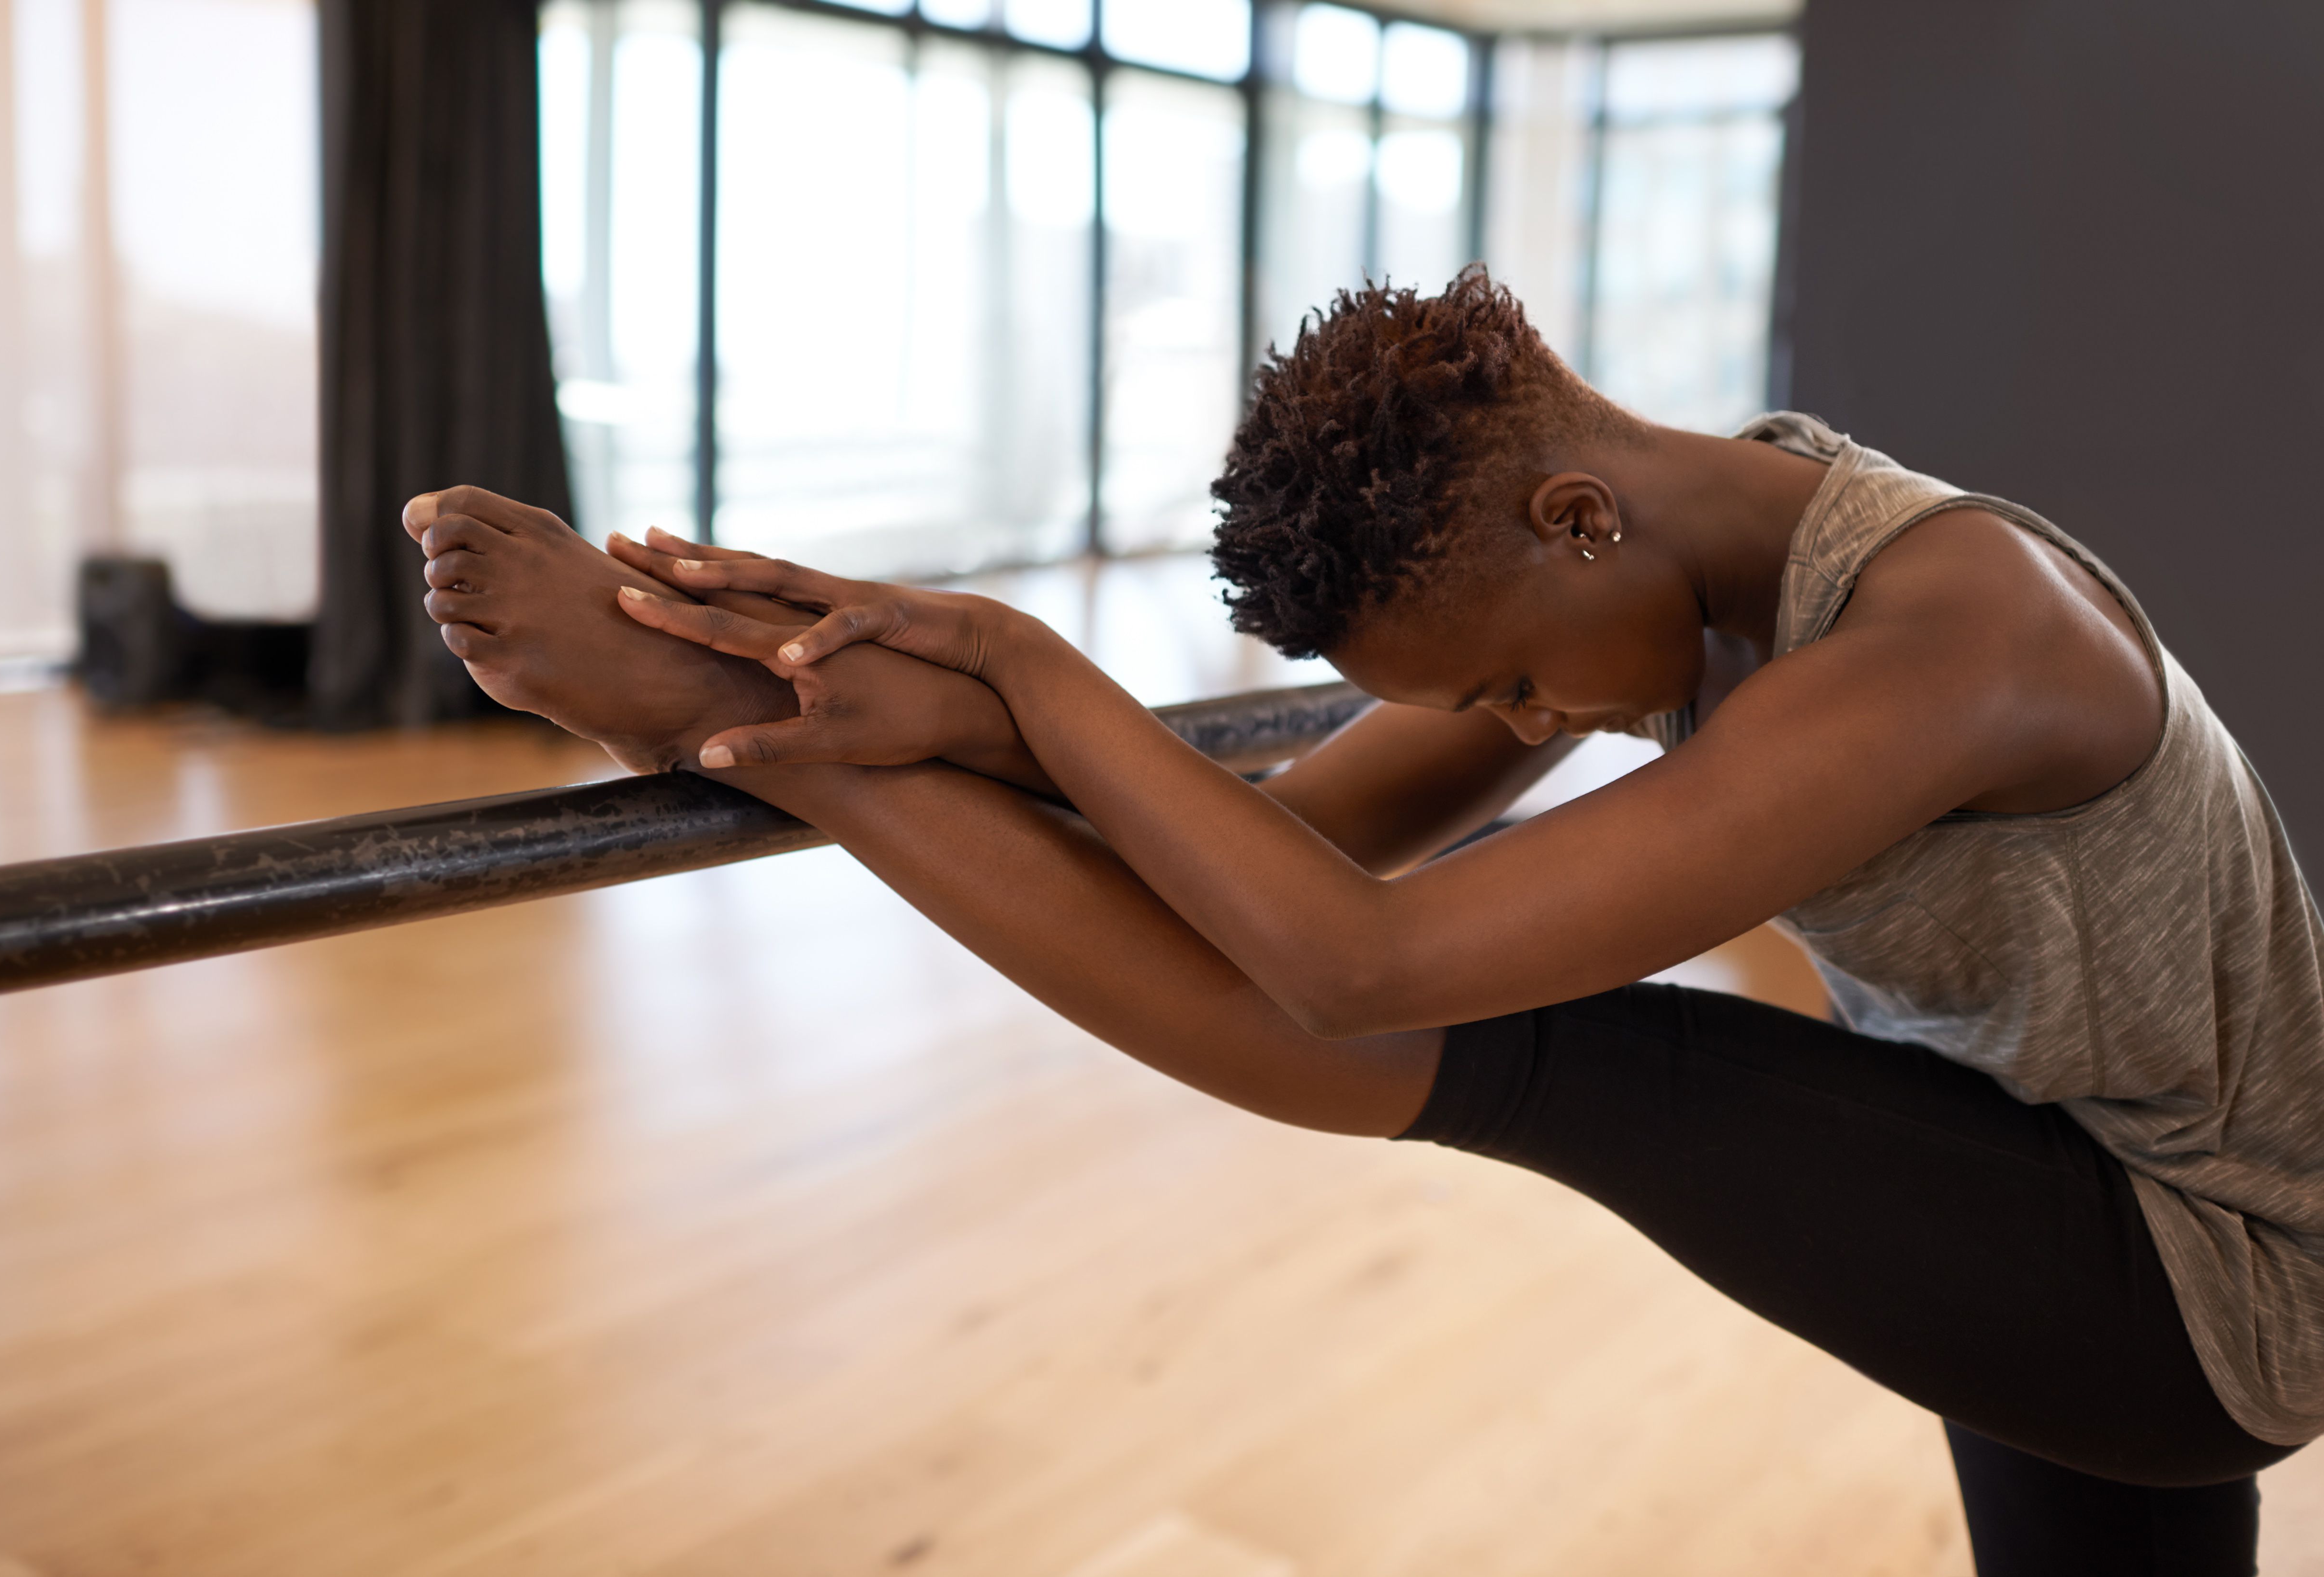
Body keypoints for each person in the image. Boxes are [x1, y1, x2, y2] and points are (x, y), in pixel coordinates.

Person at [402, 269, 2320, 1575]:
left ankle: (765, 741)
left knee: (1561, 1045)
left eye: (1495, 681)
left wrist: (995, 665)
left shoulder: (1954, 638)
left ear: (1574, 520)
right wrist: (941, 702)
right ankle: (786, 712)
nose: (1512, 724)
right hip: (2046, 1188)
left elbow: (1350, 966)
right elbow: (1282, 840)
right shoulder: (1688, 535)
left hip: (2197, 1270)